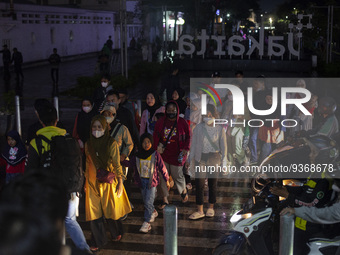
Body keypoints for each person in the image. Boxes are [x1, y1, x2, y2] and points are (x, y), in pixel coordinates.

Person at [25, 105, 91, 254]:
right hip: (71, 189)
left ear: (41, 121)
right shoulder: (68, 138)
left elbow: (30, 172)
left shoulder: (36, 143)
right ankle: (85, 250)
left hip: (50, 192)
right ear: (57, 120)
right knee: (69, 221)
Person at [85, 115, 132, 251]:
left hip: (108, 181)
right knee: (94, 212)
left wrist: (120, 183)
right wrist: (85, 183)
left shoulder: (111, 143)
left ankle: (116, 231)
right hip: (92, 182)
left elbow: (117, 165)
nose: (96, 129)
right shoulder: (88, 144)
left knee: (110, 210)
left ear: (105, 128)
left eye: (100, 127)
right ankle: (97, 240)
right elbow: (87, 164)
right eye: (94, 127)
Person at [270, 172, 333, 255]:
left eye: (314, 157)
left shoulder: (324, 180)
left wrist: (287, 195)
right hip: (301, 224)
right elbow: (304, 190)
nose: (311, 158)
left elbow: (311, 203)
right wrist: (285, 188)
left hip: (312, 227)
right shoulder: (315, 174)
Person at [187, 104, 227, 219]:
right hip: (201, 158)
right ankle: (200, 210)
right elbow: (194, 145)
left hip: (214, 158)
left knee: (212, 184)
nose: (207, 115)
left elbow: (224, 147)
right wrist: (190, 159)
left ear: (214, 114)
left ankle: (211, 207)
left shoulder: (220, 129)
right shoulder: (199, 128)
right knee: (199, 185)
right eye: (205, 113)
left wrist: (224, 162)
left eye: (210, 113)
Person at [153, 101, 191, 208]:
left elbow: (189, 136)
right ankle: (165, 198)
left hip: (177, 154)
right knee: (162, 176)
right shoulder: (161, 122)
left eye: (173, 110)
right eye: (168, 110)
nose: (171, 112)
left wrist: (186, 148)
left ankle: (183, 190)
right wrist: (155, 149)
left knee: (177, 175)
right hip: (163, 154)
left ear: (177, 111)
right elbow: (155, 135)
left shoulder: (182, 122)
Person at [133, 133, 170, 233]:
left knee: (148, 201)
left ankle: (147, 222)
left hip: (151, 183)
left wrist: (167, 179)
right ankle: (153, 211)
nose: (146, 144)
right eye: (144, 142)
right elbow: (131, 163)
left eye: (148, 142)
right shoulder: (137, 154)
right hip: (142, 182)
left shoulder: (155, 154)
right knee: (146, 200)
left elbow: (162, 167)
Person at [100, 105, 133, 174]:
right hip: (104, 162)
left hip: (118, 162)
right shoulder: (99, 128)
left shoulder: (122, 128)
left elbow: (129, 144)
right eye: (105, 114)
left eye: (109, 114)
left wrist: (123, 155)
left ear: (114, 115)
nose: (107, 116)